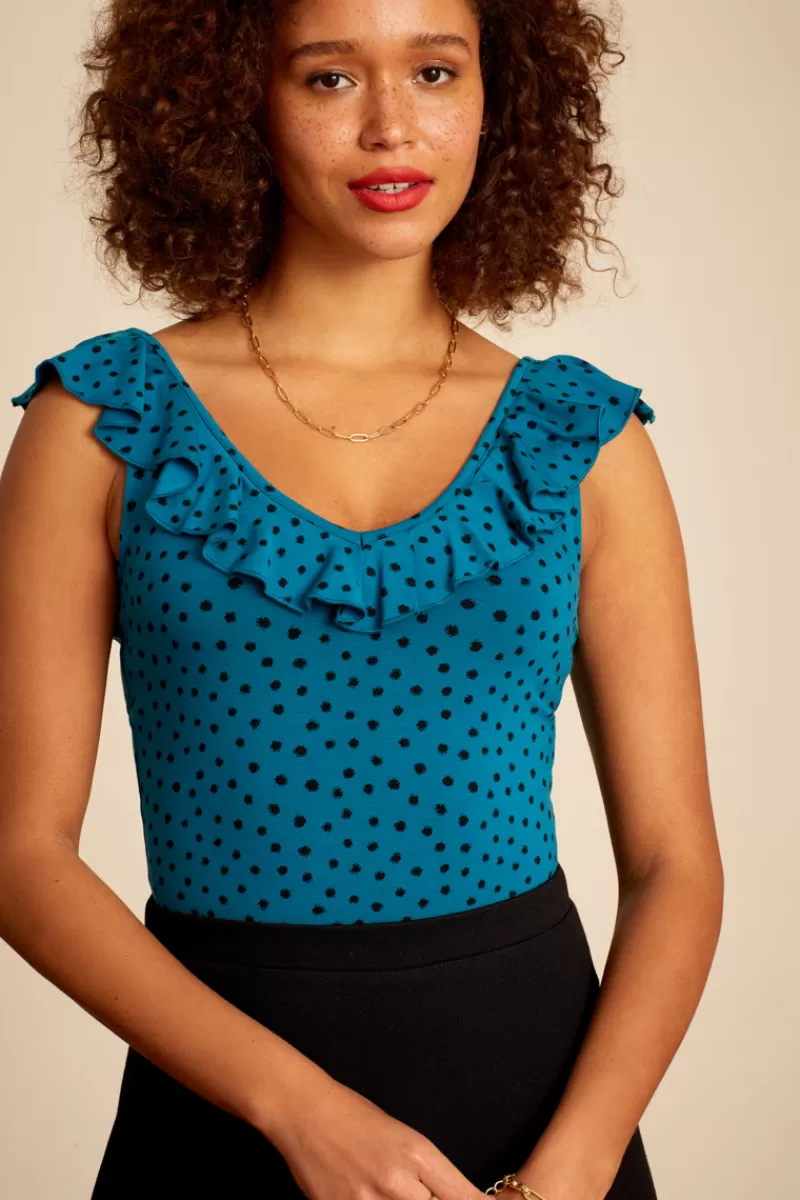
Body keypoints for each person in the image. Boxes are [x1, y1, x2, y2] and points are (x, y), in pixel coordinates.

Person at [0, 1, 723, 1198]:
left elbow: (672, 864)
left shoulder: (580, 440)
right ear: (236, 101)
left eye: (435, 72)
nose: (392, 127)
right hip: (217, 1114)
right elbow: (20, 853)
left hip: (541, 1125)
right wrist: (302, 1114)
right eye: (328, 78)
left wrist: (572, 1168)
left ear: (498, 99)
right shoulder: (105, 425)